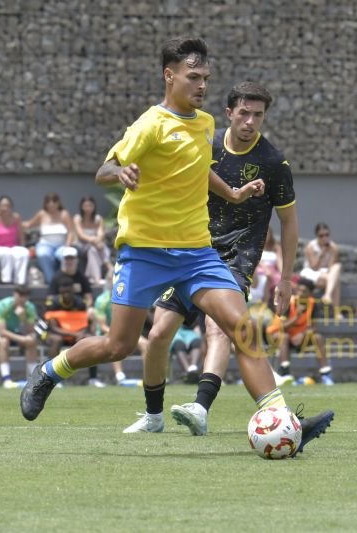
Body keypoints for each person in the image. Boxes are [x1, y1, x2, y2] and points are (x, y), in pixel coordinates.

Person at [20, 39, 332, 452]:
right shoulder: (151, 124)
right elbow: (103, 169)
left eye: (205, 78)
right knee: (119, 346)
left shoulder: (204, 124)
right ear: (170, 76)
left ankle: (281, 418)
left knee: (243, 329)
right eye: (193, 77)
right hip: (145, 252)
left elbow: (200, 170)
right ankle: (49, 371)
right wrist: (122, 173)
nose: (201, 85)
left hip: (198, 254)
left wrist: (233, 194)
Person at [123, 79, 334, 444]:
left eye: (258, 115)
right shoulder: (205, 142)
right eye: (244, 113)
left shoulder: (272, 162)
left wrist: (285, 279)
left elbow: (289, 222)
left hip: (238, 256)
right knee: (158, 334)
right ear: (229, 113)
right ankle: (154, 416)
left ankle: (201, 408)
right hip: (190, 250)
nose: (251, 121)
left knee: (220, 329)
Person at [46, 246, 107, 387]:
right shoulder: (56, 279)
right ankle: (52, 378)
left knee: (90, 339)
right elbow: (50, 304)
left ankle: (93, 378)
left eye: (71, 258)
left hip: (79, 323)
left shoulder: (81, 278)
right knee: (55, 340)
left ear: (76, 260)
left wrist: (84, 328)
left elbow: (89, 297)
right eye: (66, 258)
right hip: (61, 328)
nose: (69, 261)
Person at [266, 277, 333, 385]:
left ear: (310, 293)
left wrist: (303, 334)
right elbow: (282, 326)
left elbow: (314, 326)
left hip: (298, 337)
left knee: (318, 338)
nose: (301, 293)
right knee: (284, 336)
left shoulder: (313, 304)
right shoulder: (289, 302)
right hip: (277, 335)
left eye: (304, 291)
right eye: (299, 290)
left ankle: (326, 374)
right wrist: (296, 316)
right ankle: (285, 372)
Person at [0, 284, 39, 388]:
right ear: (15, 294)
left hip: (14, 332)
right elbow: (2, 332)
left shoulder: (30, 307)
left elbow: (30, 331)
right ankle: (6, 380)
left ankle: (34, 379)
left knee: (32, 341)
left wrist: (23, 317)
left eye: (25, 296)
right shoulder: (2, 305)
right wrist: (22, 339)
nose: (23, 299)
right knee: (3, 341)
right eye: (21, 296)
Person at [23, 192, 74, 284]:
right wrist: (15, 220)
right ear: (45, 203)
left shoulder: (64, 214)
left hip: (61, 245)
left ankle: (65, 281)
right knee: (43, 254)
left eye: (54, 201)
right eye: (49, 201)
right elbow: (29, 224)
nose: (51, 204)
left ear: (58, 203)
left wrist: (67, 245)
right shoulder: (41, 214)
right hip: (45, 245)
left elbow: (70, 232)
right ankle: (52, 281)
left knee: (65, 255)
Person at [0, 195, 30, 285]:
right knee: (6, 253)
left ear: (11, 207)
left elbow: (21, 235)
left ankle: (20, 282)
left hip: (13, 247)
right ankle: (6, 281)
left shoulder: (16, 217)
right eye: (2, 205)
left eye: (7, 206)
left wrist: (23, 247)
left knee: (24, 252)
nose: (5, 208)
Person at [300, 222, 342, 310]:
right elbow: (314, 266)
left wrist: (332, 252)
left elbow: (331, 267)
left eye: (327, 235)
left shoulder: (333, 247)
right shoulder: (311, 246)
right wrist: (322, 253)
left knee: (337, 266)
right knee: (335, 280)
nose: (324, 238)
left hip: (325, 273)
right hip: (311, 272)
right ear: (317, 236)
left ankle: (327, 295)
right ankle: (336, 311)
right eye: (321, 236)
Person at [72, 196, 111, 285]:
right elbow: (81, 235)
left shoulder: (98, 219)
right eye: (86, 206)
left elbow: (101, 233)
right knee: (95, 248)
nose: (88, 208)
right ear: (81, 207)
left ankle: (92, 277)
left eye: (90, 205)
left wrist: (97, 240)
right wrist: (94, 240)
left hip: (94, 246)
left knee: (94, 249)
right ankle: (107, 267)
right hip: (80, 245)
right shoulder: (77, 218)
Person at [249, 229, 283, 307]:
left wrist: (282, 274)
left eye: (267, 234)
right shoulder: (255, 245)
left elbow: (279, 261)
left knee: (273, 278)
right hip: (259, 269)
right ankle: (260, 301)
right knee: (263, 277)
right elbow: (257, 260)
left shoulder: (276, 247)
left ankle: (268, 304)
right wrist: (265, 269)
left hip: (272, 271)